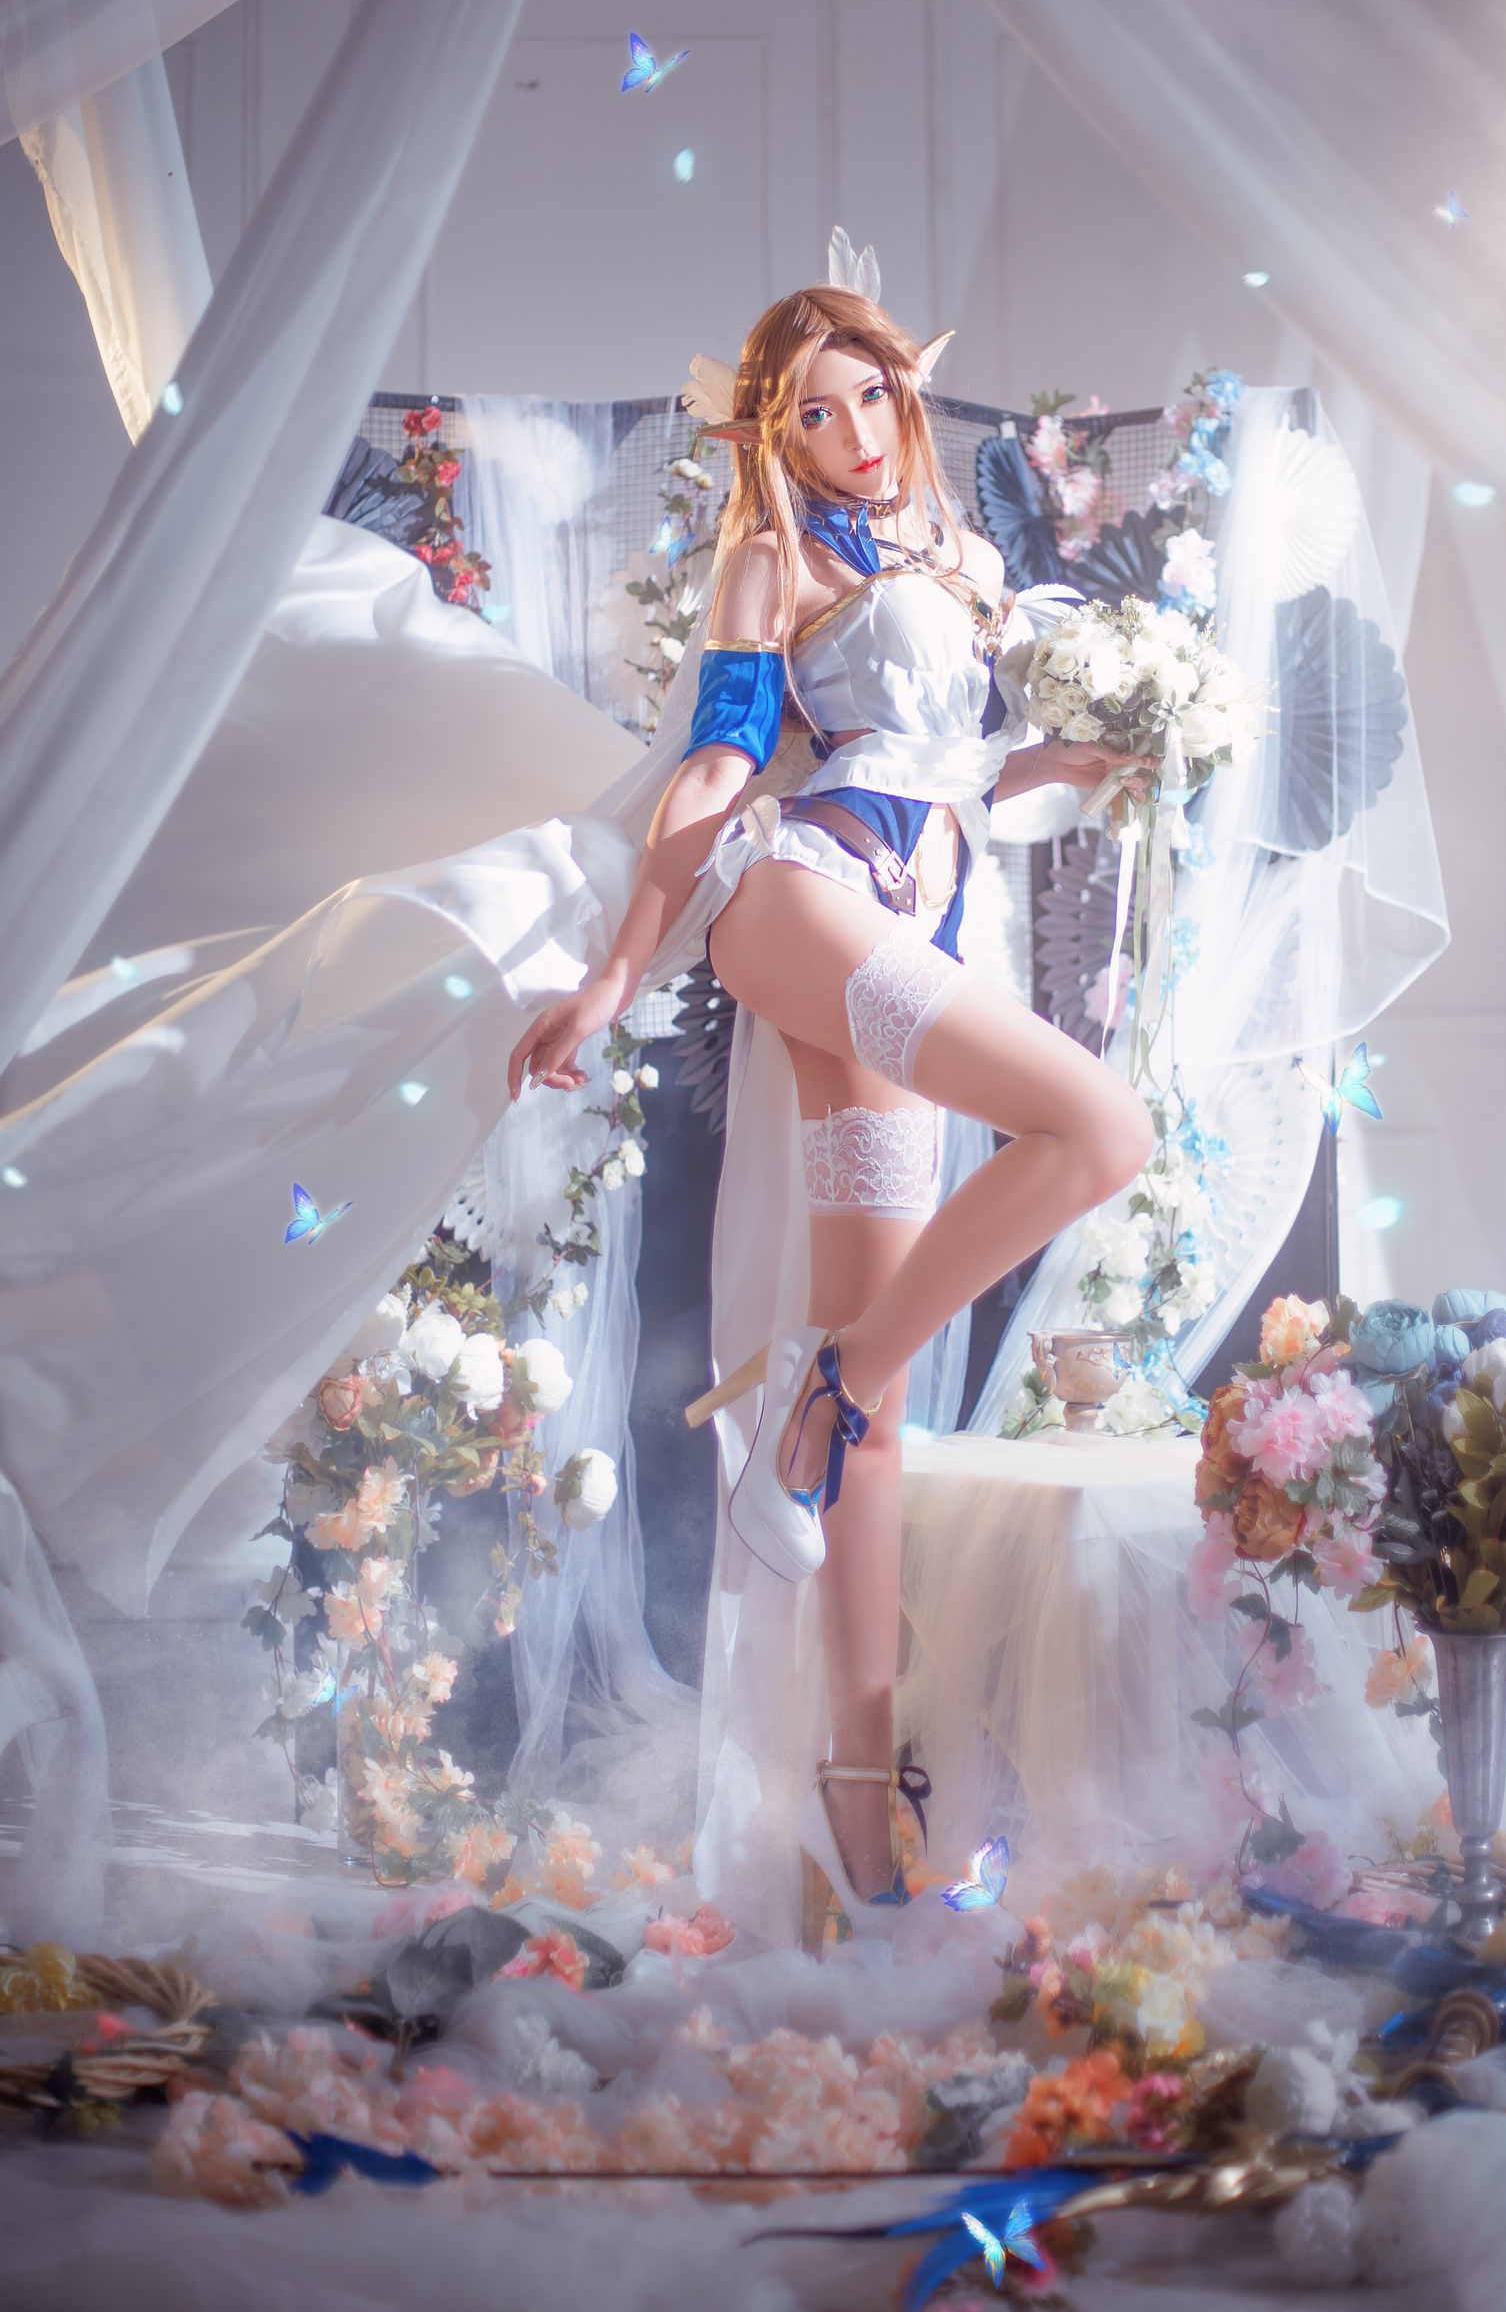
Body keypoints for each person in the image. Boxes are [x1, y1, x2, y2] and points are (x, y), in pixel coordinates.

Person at [506, 284, 1152, 1937]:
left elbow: (942, 759)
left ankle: (861, 1810)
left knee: (883, 1410)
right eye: (811, 410)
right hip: (800, 900)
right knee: (1101, 1131)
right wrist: (615, 974)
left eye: (869, 397)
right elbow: (723, 767)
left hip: (921, 909)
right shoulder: (769, 561)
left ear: (907, 400)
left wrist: (1057, 767)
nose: (851, 433)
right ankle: (821, 1392)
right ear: (770, 432)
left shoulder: (959, 555)